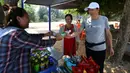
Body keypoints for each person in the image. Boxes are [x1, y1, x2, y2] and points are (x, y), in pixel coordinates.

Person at [0, 7, 62, 73]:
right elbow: (39, 43)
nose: (29, 19)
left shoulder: (10, 30)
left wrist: (45, 34)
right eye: (27, 17)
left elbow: (29, 37)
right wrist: (55, 39)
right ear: (18, 18)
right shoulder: (16, 34)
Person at [81, 2, 114, 73]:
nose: (90, 11)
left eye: (92, 10)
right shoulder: (85, 20)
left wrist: (111, 47)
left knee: (99, 67)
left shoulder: (104, 19)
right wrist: (70, 34)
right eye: (89, 10)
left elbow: (108, 34)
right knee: (90, 66)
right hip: (89, 48)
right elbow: (78, 31)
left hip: (100, 49)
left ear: (98, 9)